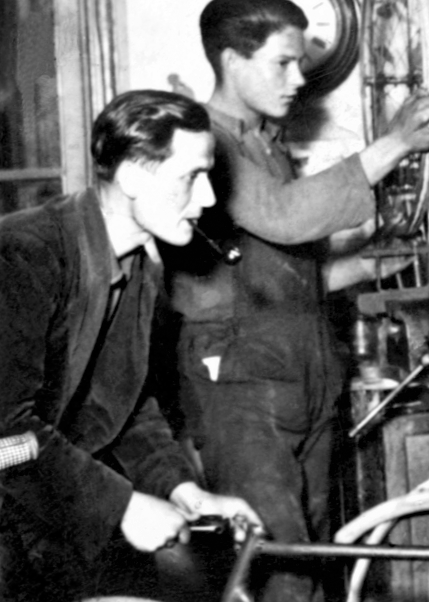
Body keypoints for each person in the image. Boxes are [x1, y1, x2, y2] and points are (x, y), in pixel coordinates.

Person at [165, 0, 429, 601]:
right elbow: (286, 218)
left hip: (300, 371)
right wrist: (396, 142)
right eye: (282, 63)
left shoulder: (262, 145)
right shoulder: (205, 143)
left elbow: (279, 276)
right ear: (230, 61)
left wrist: (369, 267)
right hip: (243, 386)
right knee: (281, 564)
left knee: (312, 556)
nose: (299, 79)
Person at [0, 89, 262, 601]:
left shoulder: (138, 265)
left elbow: (125, 405)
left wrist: (184, 491)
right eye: (191, 176)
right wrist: (123, 507)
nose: (208, 198)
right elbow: (6, 432)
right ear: (133, 177)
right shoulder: (22, 255)